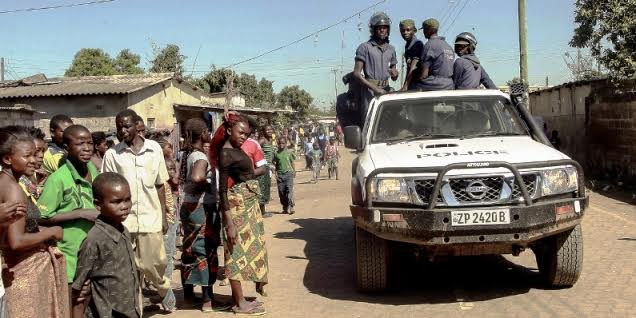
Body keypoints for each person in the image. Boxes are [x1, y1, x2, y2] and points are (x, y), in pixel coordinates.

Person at [101, 109, 176, 312]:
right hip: (123, 222)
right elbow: (106, 186)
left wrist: (163, 214)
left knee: (154, 264)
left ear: (137, 126)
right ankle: (137, 309)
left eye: (126, 126)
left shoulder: (154, 150)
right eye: (119, 127)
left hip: (150, 217)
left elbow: (160, 184)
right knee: (129, 270)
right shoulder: (112, 154)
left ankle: (163, 289)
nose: (122, 131)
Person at [0, 125, 69, 318]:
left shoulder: (8, 183)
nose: (34, 160)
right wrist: (51, 232)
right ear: (7, 159)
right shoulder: (13, 189)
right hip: (23, 272)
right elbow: (16, 241)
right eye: (27, 156)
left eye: (36, 153)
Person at [37, 124, 99, 316]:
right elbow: (42, 216)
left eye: (89, 143)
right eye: (80, 144)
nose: (87, 148)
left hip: (92, 246)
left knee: (88, 294)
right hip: (70, 250)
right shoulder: (58, 179)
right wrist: (79, 213)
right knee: (74, 297)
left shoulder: (92, 169)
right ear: (66, 148)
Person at [210, 114, 268, 315]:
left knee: (249, 248)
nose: (244, 136)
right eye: (241, 132)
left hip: (247, 206)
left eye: (247, 134)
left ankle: (242, 298)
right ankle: (239, 302)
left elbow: (250, 173)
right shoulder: (226, 154)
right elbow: (222, 190)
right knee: (234, 254)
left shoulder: (236, 150)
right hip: (236, 209)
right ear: (228, 131)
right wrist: (229, 222)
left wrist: (252, 175)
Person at [177, 118, 229, 312]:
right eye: (207, 131)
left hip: (188, 206)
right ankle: (208, 300)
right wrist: (208, 186)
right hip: (201, 208)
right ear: (202, 134)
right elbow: (198, 177)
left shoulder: (186, 154)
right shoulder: (200, 156)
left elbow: (179, 179)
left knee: (190, 250)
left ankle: (189, 297)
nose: (209, 133)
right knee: (206, 251)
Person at [72, 172, 140, 318]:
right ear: (98, 204)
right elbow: (79, 287)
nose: (124, 206)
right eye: (116, 202)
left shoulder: (123, 231)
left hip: (129, 309)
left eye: (127, 200)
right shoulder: (94, 239)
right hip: (107, 312)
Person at [353, 11, 399, 125]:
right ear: (373, 29)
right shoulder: (364, 47)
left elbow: (394, 74)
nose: (382, 30)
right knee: (369, 123)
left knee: (390, 122)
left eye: (385, 27)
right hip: (369, 92)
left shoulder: (391, 49)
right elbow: (357, 74)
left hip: (386, 89)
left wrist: (395, 73)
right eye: (379, 28)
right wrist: (375, 89)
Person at [411, 18, 455, 91]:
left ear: (428, 30)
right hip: (449, 84)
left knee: (412, 85)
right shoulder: (448, 46)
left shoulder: (429, 45)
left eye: (424, 30)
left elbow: (424, 75)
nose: (423, 32)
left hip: (436, 84)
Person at [19, 127, 48, 201]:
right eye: (37, 150)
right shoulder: (14, 179)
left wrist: (40, 184)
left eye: (43, 151)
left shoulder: (33, 174)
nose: (41, 155)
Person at [399, 19, 425, 91]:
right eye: (402, 31)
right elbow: (409, 68)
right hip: (412, 82)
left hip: (418, 84)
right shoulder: (408, 45)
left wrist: (405, 86)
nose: (405, 33)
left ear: (414, 31)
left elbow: (413, 68)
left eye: (408, 30)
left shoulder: (417, 44)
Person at [272, 136, 296, 214]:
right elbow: (275, 164)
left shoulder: (289, 152)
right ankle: (285, 207)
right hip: (280, 175)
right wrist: (275, 173)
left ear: (286, 144)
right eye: (280, 143)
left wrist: (294, 171)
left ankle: (291, 207)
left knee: (289, 191)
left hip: (288, 174)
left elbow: (292, 162)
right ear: (277, 144)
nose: (281, 145)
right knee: (282, 192)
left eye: (283, 143)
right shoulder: (276, 154)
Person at [258, 125, 276, 218]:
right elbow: (255, 148)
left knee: (266, 189)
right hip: (263, 167)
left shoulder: (270, 140)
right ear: (263, 131)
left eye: (270, 129)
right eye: (267, 129)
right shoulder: (262, 140)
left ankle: (263, 210)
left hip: (268, 168)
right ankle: (263, 212)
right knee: (263, 189)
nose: (269, 131)